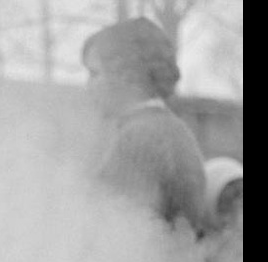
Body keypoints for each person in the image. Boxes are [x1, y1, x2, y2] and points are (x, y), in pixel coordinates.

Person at [81, 17, 206, 234]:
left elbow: (114, 239)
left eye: (94, 74)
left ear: (126, 74)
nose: (88, 86)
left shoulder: (139, 139)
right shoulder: (175, 130)